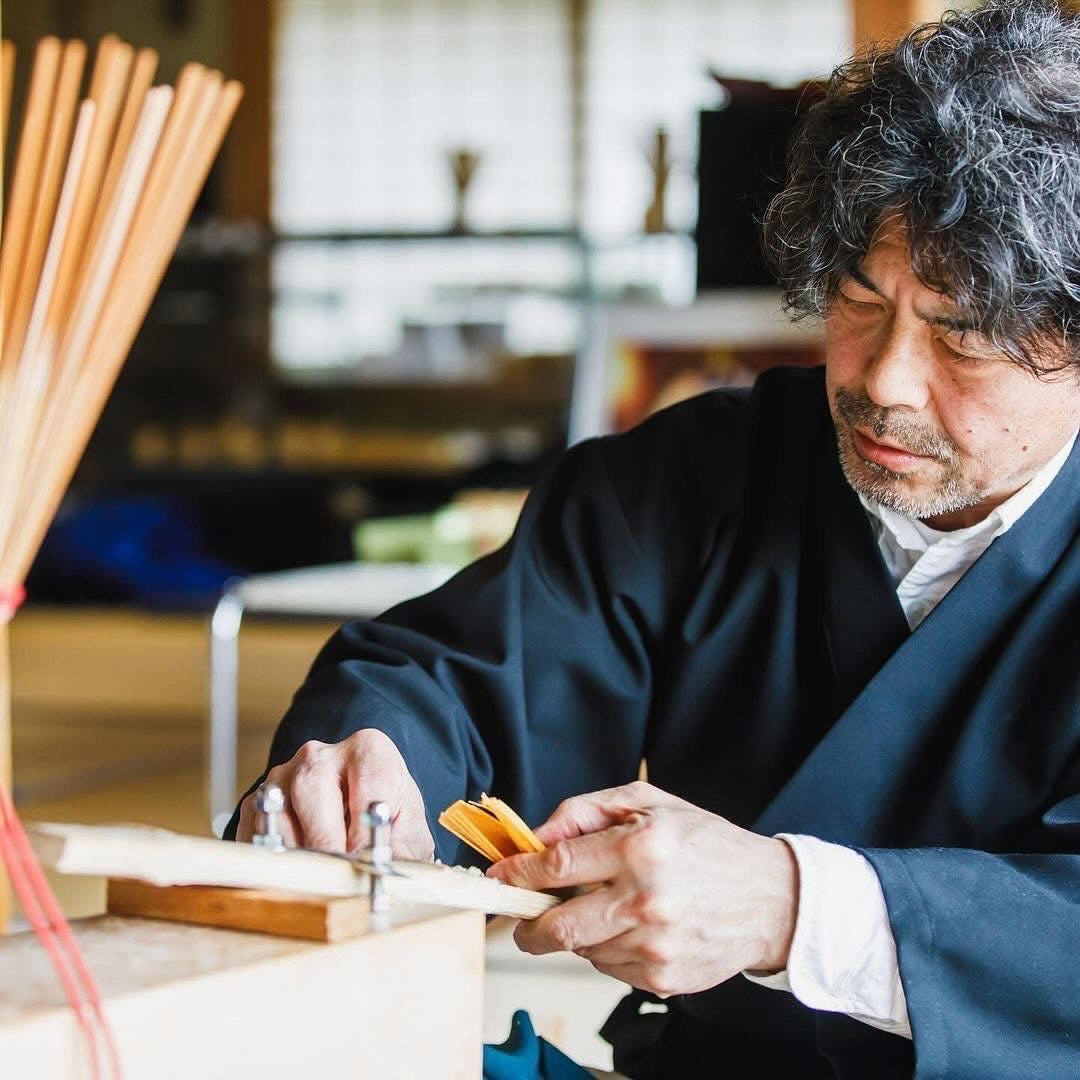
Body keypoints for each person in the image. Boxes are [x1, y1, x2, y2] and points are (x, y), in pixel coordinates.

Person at [228, 3, 1080, 1076]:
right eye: (861, 302)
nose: (881, 382)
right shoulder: (701, 474)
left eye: (962, 338)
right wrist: (378, 770)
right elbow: (465, 678)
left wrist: (791, 906)